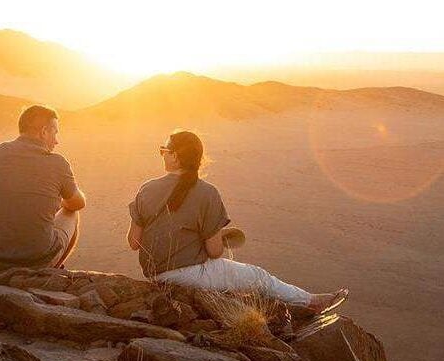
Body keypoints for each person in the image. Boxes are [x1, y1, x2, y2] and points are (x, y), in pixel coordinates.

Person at [127, 130, 348, 313]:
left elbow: (134, 242)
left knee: (234, 281)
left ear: (175, 156)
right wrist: (219, 237)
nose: (162, 155)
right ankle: (311, 302)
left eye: (163, 151)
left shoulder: (146, 188)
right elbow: (214, 252)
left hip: (154, 274)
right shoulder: (207, 193)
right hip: (188, 276)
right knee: (259, 277)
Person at [0, 104, 86, 274]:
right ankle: (53, 269)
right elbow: (78, 203)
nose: (57, 140)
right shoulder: (57, 163)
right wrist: (51, 199)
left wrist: (2, 189)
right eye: (55, 132)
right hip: (38, 262)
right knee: (72, 213)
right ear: (44, 132)